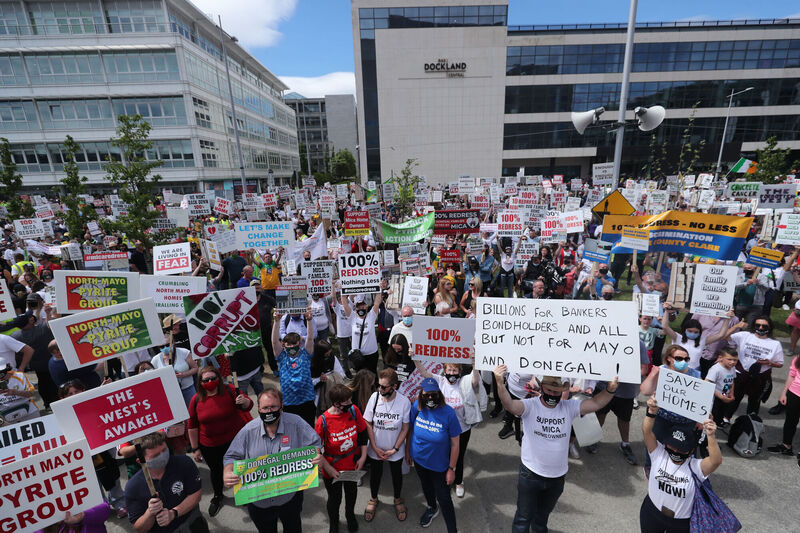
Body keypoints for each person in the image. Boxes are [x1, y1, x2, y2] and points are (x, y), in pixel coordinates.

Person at [493, 367, 619, 533]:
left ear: (562, 392)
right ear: (542, 388)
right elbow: (509, 404)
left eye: (556, 391)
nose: (553, 395)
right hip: (530, 474)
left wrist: (610, 390)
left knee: (541, 518)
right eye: (549, 390)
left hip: (557, 477)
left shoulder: (569, 407)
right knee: (523, 518)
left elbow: (596, 403)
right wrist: (499, 383)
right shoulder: (530, 405)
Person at [223, 387, 325, 533]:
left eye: (273, 407)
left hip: (290, 498)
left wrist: (316, 455)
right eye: (265, 408)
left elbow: (314, 443)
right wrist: (227, 472)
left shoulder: (296, 423)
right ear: (258, 409)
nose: (269, 411)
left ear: (281, 406)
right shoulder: (248, 430)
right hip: (258, 502)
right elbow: (231, 456)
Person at [640, 396, 722, 533]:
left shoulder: (696, 467)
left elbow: (715, 461)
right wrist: (651, 412)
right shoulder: (658, 453)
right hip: (651, 513)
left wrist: (711, 435)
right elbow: (646, 431)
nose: (676, 451)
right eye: (672, 446)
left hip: (681, 523)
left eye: (681, 449)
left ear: (691, 450)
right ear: (666, 444)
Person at [187, 365, 254, 517]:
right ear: (200, 382)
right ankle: (218, 496)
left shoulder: (230, 389)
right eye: (206, 380)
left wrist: (244, 401)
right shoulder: (196, 399)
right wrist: (195, 448)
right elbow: (192, 425)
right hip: (210, 445)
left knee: (240, 468)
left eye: (213, 378)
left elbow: (248, 406)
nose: (210, 382)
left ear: (219, 378)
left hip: (235, 441)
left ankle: (243, 494)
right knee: (216, 471)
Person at [414, 361, 483, 497]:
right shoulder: (440, 381)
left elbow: (475, 380)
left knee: (459, 457)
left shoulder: (464, 382)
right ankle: (444, 478)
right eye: (449, 370)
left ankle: (459, 481)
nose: (452, 373)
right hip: (443, 430)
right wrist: (415, 359)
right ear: (444, 371)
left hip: (462, 429)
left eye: (455, 370)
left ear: (460, 372)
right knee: (443, 456)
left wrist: (475, 363)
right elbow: (424, 373)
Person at [125, 431, 208, 533]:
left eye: (164, 450)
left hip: (193, 523)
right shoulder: (133, 487)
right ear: (140, 461)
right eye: (155, 455)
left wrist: (173, 513)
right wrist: (150, 513)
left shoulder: (184, 462)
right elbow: (140, 528)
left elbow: (196, 495)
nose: (162, 456)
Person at [406, 378, 460, 532]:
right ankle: (431, 507)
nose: (430, 398)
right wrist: (408, 451)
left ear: (439, 394)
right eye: (426, 395)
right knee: (426, 487)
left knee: (444, 498)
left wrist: (451, 469)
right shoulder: (417, 407)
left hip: (439, 466)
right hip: (419, 461)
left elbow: (456, 444)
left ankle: (452, 529)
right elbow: (410, 429)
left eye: (434, 394)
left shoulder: (449, 413)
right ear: (421, 394)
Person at [584, 341, 650, 465]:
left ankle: (625, 444)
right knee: (600, 415)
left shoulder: (639, 344)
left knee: (624, 420)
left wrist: (625, 376)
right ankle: (593, 440)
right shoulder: (606, 338)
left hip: (626, 391)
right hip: (604, 387)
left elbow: (644, 369)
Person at [315, 384, 368, 533]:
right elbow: (315, 449)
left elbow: (363, 433)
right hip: (332, 469)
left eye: (350, 399)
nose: (351, 403)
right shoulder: (323, 420)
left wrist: (363, 457)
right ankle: (334, 522)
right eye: (347, 401)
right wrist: (328, 468)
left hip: (352, 465)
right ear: (336, 403)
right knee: (334, 499)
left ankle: (350, 516)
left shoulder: (353, 410)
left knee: (351, 494)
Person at [363, 368, 411, 523]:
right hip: (376, 448)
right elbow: (367, 422)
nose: (380, 389)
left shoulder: (404, 402)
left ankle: (397, 499)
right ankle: (373, 498)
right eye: (378, 385)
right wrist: (374, 447)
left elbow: (405, 428)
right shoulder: (374, 397)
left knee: (397, 475)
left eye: (383, 387)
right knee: (375, 475)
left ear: (394, 386)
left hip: (395, 449)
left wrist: (395, 449)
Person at [726, 316, 783, 417]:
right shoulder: (744, 335)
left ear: (769, 328)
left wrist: (769, 363)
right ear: (754, 326)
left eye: (764, 326)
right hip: (741, 374)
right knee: (734, 398)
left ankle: (751, 422)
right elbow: (725, 336)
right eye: (758, 325)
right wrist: (736, 326)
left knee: (754, 403)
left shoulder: (775, 344)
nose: (760, 328)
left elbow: (780, 364)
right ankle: (726, 419)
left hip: (760, 377)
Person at [272, 310, 317, 426]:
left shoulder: (306, 354)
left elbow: (310, 339)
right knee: (292, 430)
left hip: (307, 400)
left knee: (309, 428)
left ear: (300, 344)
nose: (291, 347)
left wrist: (309, 320)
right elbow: (274, 342)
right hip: (289, 402)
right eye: (289, 344)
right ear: (284, 346)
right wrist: (276, 322)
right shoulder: (282, 357)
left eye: (294, 344)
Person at [660, 308, 736, 372]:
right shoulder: (677, 337)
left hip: (693, 372)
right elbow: (665, 326)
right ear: (685, 330)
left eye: (696, 332)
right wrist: (666, 311)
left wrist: (727, 318)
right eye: (690, 331)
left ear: (700, 332)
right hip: (675, 369)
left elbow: (720, 335)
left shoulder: (702, 341)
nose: (693, 333)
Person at [341, 293, 383, 374]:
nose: (361, 308)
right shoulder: (352, 317)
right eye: (359, 307)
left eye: (363, 306)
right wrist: (342, 292)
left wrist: (379, 290)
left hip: (371, 354)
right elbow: (345, 305)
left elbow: (377, 303)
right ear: (355, 308)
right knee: (360, 376)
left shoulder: (371, 316)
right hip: (357, 356)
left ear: (366, 307)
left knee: (372, 375)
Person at [767, 355, 800, 455]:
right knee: (790, 421)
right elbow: (792, 375)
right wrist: (784, 393)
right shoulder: (798, 358)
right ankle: (786, 446)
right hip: (794, 394)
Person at [151, 342, 198, 406]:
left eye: (167, 345)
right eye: (162, 347)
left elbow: (195, 368)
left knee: (194, 407)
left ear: (173, 343)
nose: (165, 348)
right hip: (170, 393)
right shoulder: (155, 360)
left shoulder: (183, 352)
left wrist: (183, 374)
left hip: (188, 388)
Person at [705, 347, 738, 427]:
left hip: (724, 394)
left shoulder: (732, 368)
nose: (732, 362)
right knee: (713, 414)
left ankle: (718, 423)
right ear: (721, 358)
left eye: (735, 360)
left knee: (721, 412)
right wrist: (720, 396)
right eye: (729, 359)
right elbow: (707, 383)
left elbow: (731, 381)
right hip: (715, 397)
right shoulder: (716, 369)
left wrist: (731, 394)